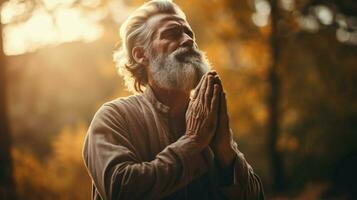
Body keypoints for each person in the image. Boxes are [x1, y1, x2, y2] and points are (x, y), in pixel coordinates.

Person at [82, 0, 264, 199]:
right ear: (141, 54)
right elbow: (120, 189)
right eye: (172, 33)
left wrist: (225, 150)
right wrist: (193, 143)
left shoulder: (208, 120)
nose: (188, 40)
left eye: (190, 34)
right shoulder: (114, 117)